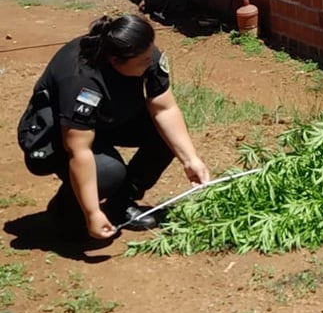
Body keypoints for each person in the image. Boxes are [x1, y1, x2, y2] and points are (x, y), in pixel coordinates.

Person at [32, 13, 210, 241]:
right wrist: (93, 212)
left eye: (150, 55)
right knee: (108, 172)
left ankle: (120, 203)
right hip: (60, 134)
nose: (150, 62)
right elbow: (79, 151)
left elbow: (164, 109)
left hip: (107, 119)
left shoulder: (142, 52)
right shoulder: (82, 81)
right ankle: (66, 212)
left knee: (166, 136)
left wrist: (190, 159)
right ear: (116, 61)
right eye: (143, 61)